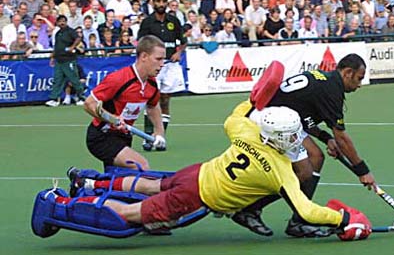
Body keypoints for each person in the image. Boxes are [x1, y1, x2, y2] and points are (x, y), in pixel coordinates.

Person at [37, 103, 371, 241]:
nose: (299, 138)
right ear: (284, 137)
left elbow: (235, 115)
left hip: (195, 173)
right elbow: (306, 209)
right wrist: (341, 220)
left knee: (153, 185)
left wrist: (256, 100)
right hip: (197, 195)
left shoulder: (247, 132)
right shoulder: (281, 172)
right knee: (131, 213)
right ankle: (57, 207)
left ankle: (90, 182)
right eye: (295, 133)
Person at [231, 54, 375, 237]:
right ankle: (288, 219)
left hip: (280, 118)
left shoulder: (325, 79)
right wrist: (362, 170)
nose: (360, 85)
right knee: (305, 170)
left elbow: (304, 117)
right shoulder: (332, 90)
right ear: (347, 72)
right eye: (359, 79)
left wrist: (325, 137)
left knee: (314, 158)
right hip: (270, 119)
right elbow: (342, 138)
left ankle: (289, 218)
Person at [79, 35, 166, 169]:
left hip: (124, 137)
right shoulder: (118, 79)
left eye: (163, 59)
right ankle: (86, 182)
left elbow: (153, 107)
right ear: (144, 56)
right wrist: (111, 119)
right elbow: (89, 104)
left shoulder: (152, 85)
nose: (162, 64)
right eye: (158, 59)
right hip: (102, 135)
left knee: (118, 179)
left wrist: (159, 132)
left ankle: (87, 184)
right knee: (140, 165)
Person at [137, 0, 186, 151]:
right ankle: (148, 137)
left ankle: (160, 137)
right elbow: (141, 44)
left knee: (165, 100)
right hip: (153, 66)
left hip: (171, 65)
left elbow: (183, 40)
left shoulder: (174, 20)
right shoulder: (147, 22)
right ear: (153, 3)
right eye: (158, 1)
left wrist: (179, 52)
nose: (161, 4)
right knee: (151, 100)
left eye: (163, 1)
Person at [45, 15, 85, 107]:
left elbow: (78, 38)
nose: (62, 23)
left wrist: (72, 47)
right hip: (59, 60)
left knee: (74, 79)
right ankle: (54, 99)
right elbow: (57, 46)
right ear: (57, 23)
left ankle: (81, 97)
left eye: (63, 21)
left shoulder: (70, 31)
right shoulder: (58, 33)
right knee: (57, 80)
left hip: (69, 60)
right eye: (60, 21)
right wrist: (52, 57)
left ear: (66, 22)